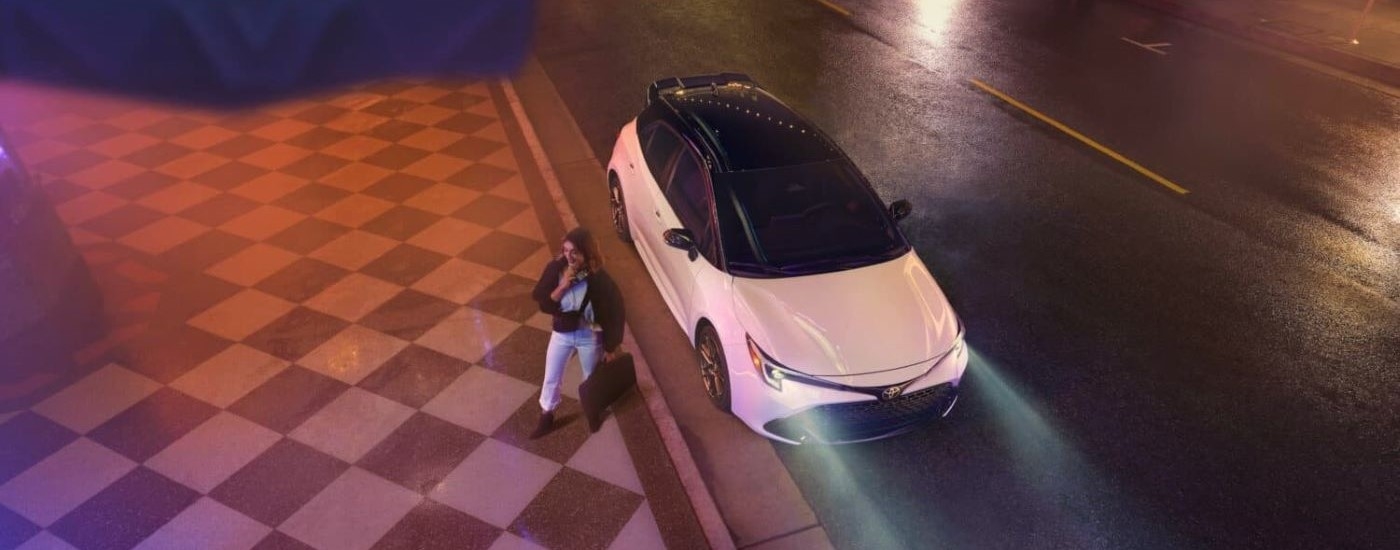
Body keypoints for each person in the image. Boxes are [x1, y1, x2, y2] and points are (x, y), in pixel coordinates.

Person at [529, 227, 625, 438]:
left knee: (591, 378)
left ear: (586, 252)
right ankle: (547, 414)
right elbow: (543, 301)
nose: (569, 256)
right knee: (552, 375)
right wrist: (562, 287)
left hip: (589, 336)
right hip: (562, 332)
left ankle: (593, 412)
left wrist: (611, 346)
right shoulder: (556, 269)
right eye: (566, 250)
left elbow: (615, 311)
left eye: (575, 252)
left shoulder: (598, 277)